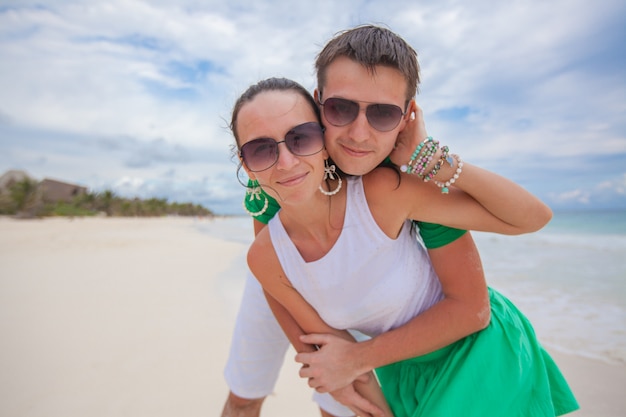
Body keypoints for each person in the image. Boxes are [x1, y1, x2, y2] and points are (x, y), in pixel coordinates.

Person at [232, 76, 579, 416]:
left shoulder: (385, 193)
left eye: (301, 137)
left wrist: (432, 158)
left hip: (481, 356)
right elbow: (336, 356)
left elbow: (531, 218)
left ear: (324, 138)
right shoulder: (266, 257)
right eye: (261, 150)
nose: (287, 161)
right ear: (246, 165)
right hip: (400, 373)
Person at [222, 25, 475, 417]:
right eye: (342, 110)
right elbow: (275, 277)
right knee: (243, 397)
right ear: (324, 109)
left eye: (382, 114)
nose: (360, 134)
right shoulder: (276, 173)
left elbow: (472, 294)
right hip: (282, 282)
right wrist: (321, 368)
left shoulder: (395, 177)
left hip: (367, 295)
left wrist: (351, 367)